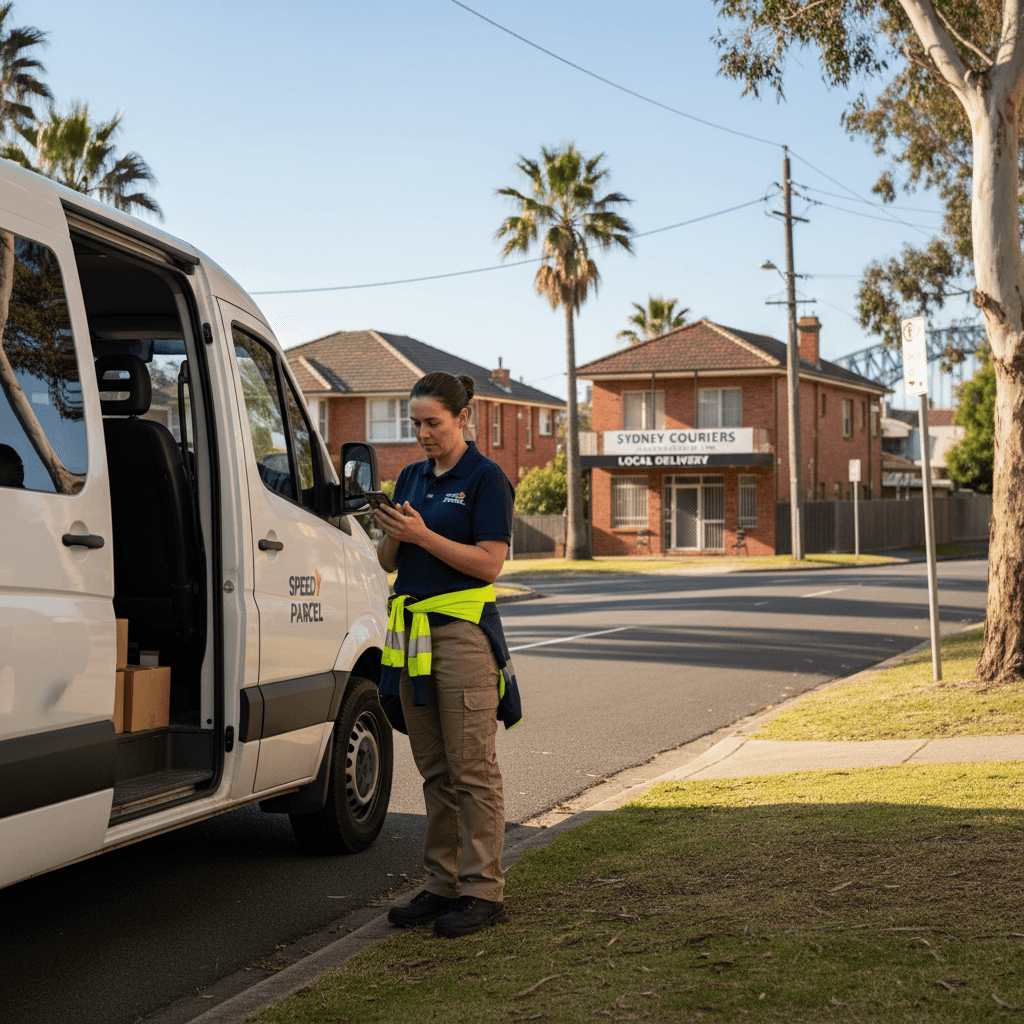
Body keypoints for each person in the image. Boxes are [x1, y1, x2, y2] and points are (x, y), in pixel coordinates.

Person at [374, 371, 521, 939]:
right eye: (415, 423)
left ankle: (484, 892)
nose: (423, 434)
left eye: (432, 422)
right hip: (411, 636)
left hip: (461, 635)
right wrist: (392, 531)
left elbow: (489, 564)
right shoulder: (411, 476)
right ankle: (443, 885)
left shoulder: (486, 479)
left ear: (462, 418)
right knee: (435, 770)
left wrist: (423, 536)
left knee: (472, 770)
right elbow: (389, 561)